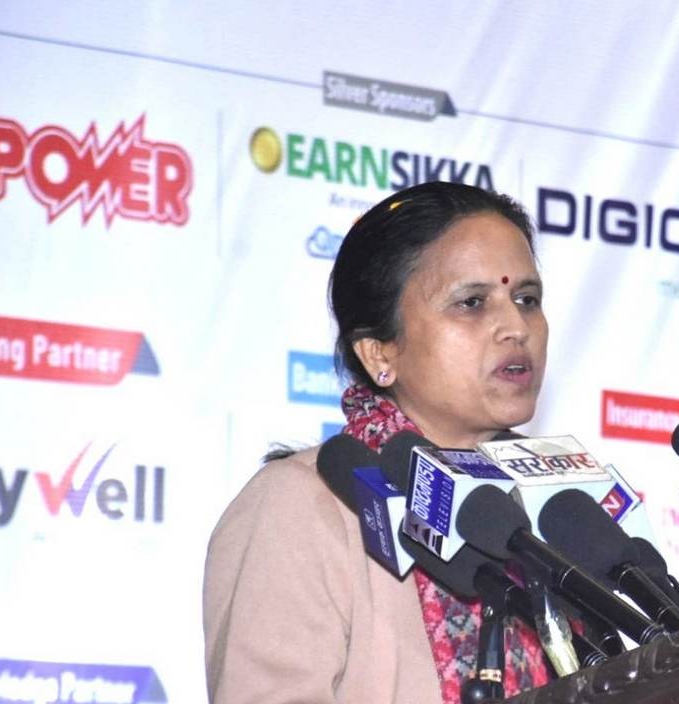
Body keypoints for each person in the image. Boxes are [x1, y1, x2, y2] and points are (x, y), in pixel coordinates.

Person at [203, 182, 552, 703]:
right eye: (472, 303)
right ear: (378, 354)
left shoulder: (556, 511)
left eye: (526, 299)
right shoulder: (302, 506)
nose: (515, 327)